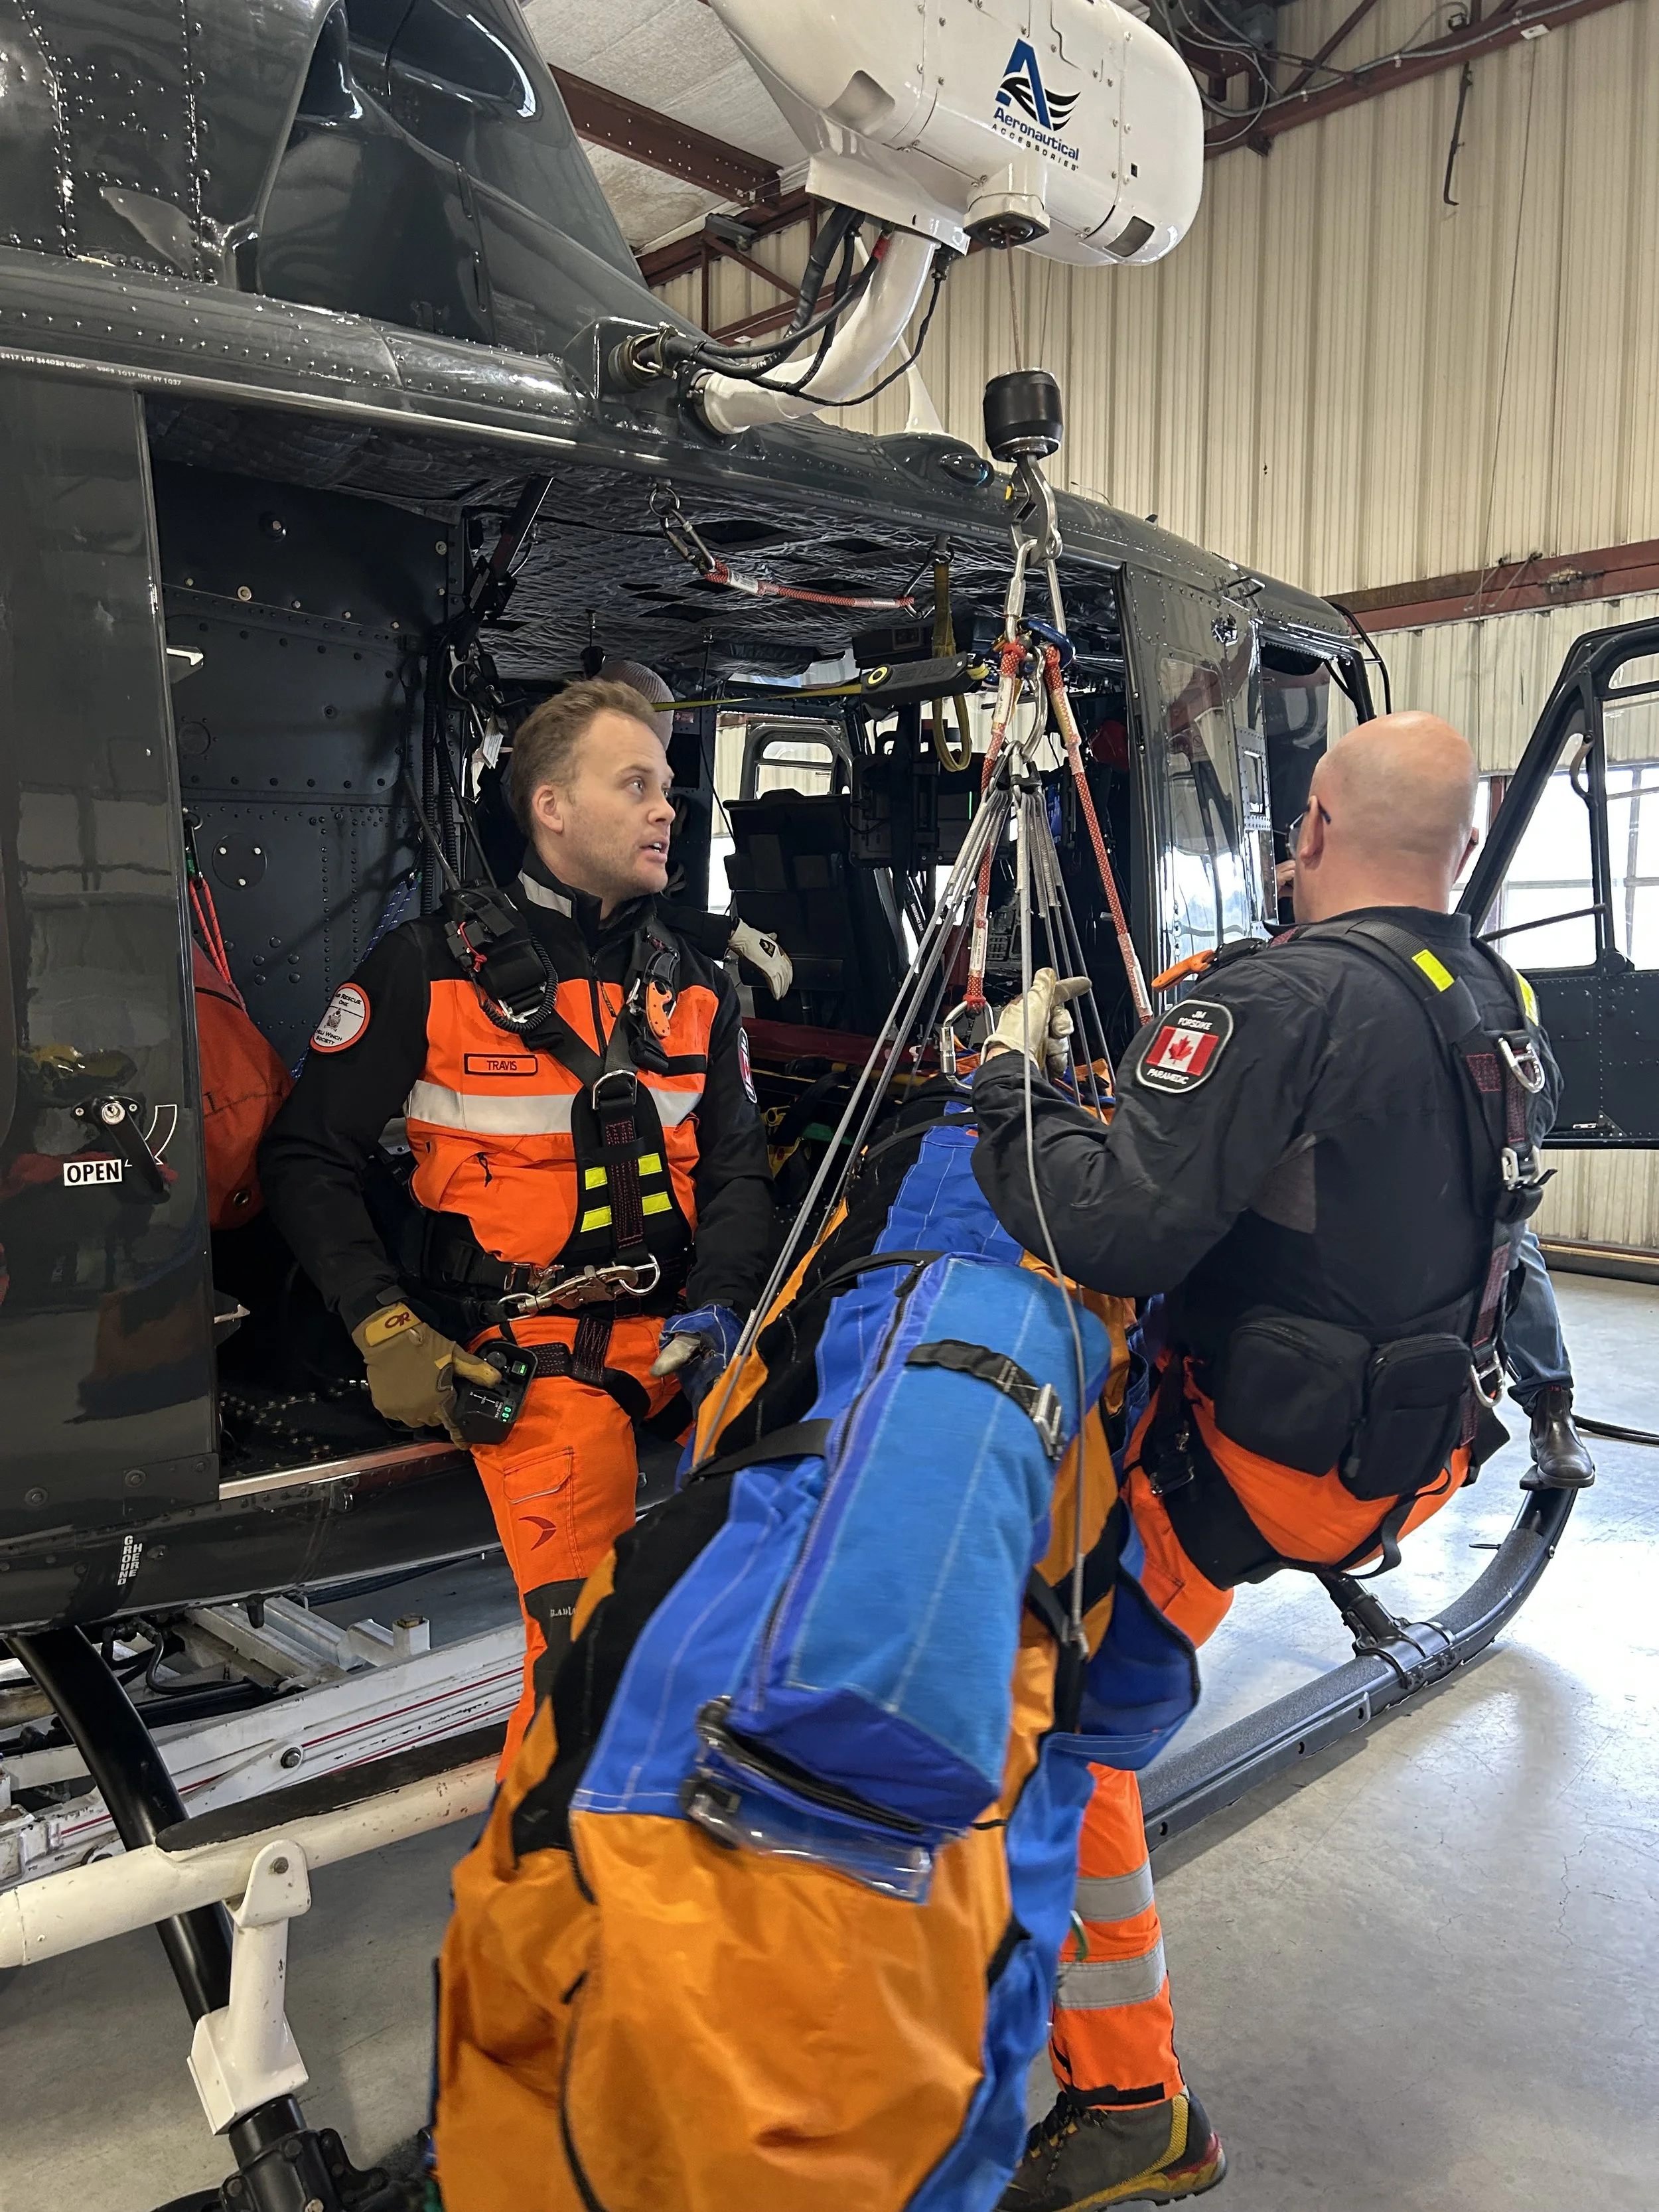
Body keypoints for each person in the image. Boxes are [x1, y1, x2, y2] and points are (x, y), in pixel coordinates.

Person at [971, 711, 1560, 2211]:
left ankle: (1123, 2103)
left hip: (1252, 1466)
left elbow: (1105, 1227)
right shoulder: (1485, 991)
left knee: (1053, 1730)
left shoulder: (1278, 1000)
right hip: (1405, 1442)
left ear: (1302, 831)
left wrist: (1000, 1098)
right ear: (1463, 848)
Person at [259, 678, 774, 1768]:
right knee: (589, 1665)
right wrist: (385, 1325)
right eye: (635, 785)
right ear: (550, 806)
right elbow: (308, 1156)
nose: (665, 811)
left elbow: (737, 1172)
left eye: (669, 790)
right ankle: (564, 1890)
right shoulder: (428, 969)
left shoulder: (695, 985)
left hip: (689, 1341)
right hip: (529, 1362)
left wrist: (728, 1299)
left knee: (795, 1587)